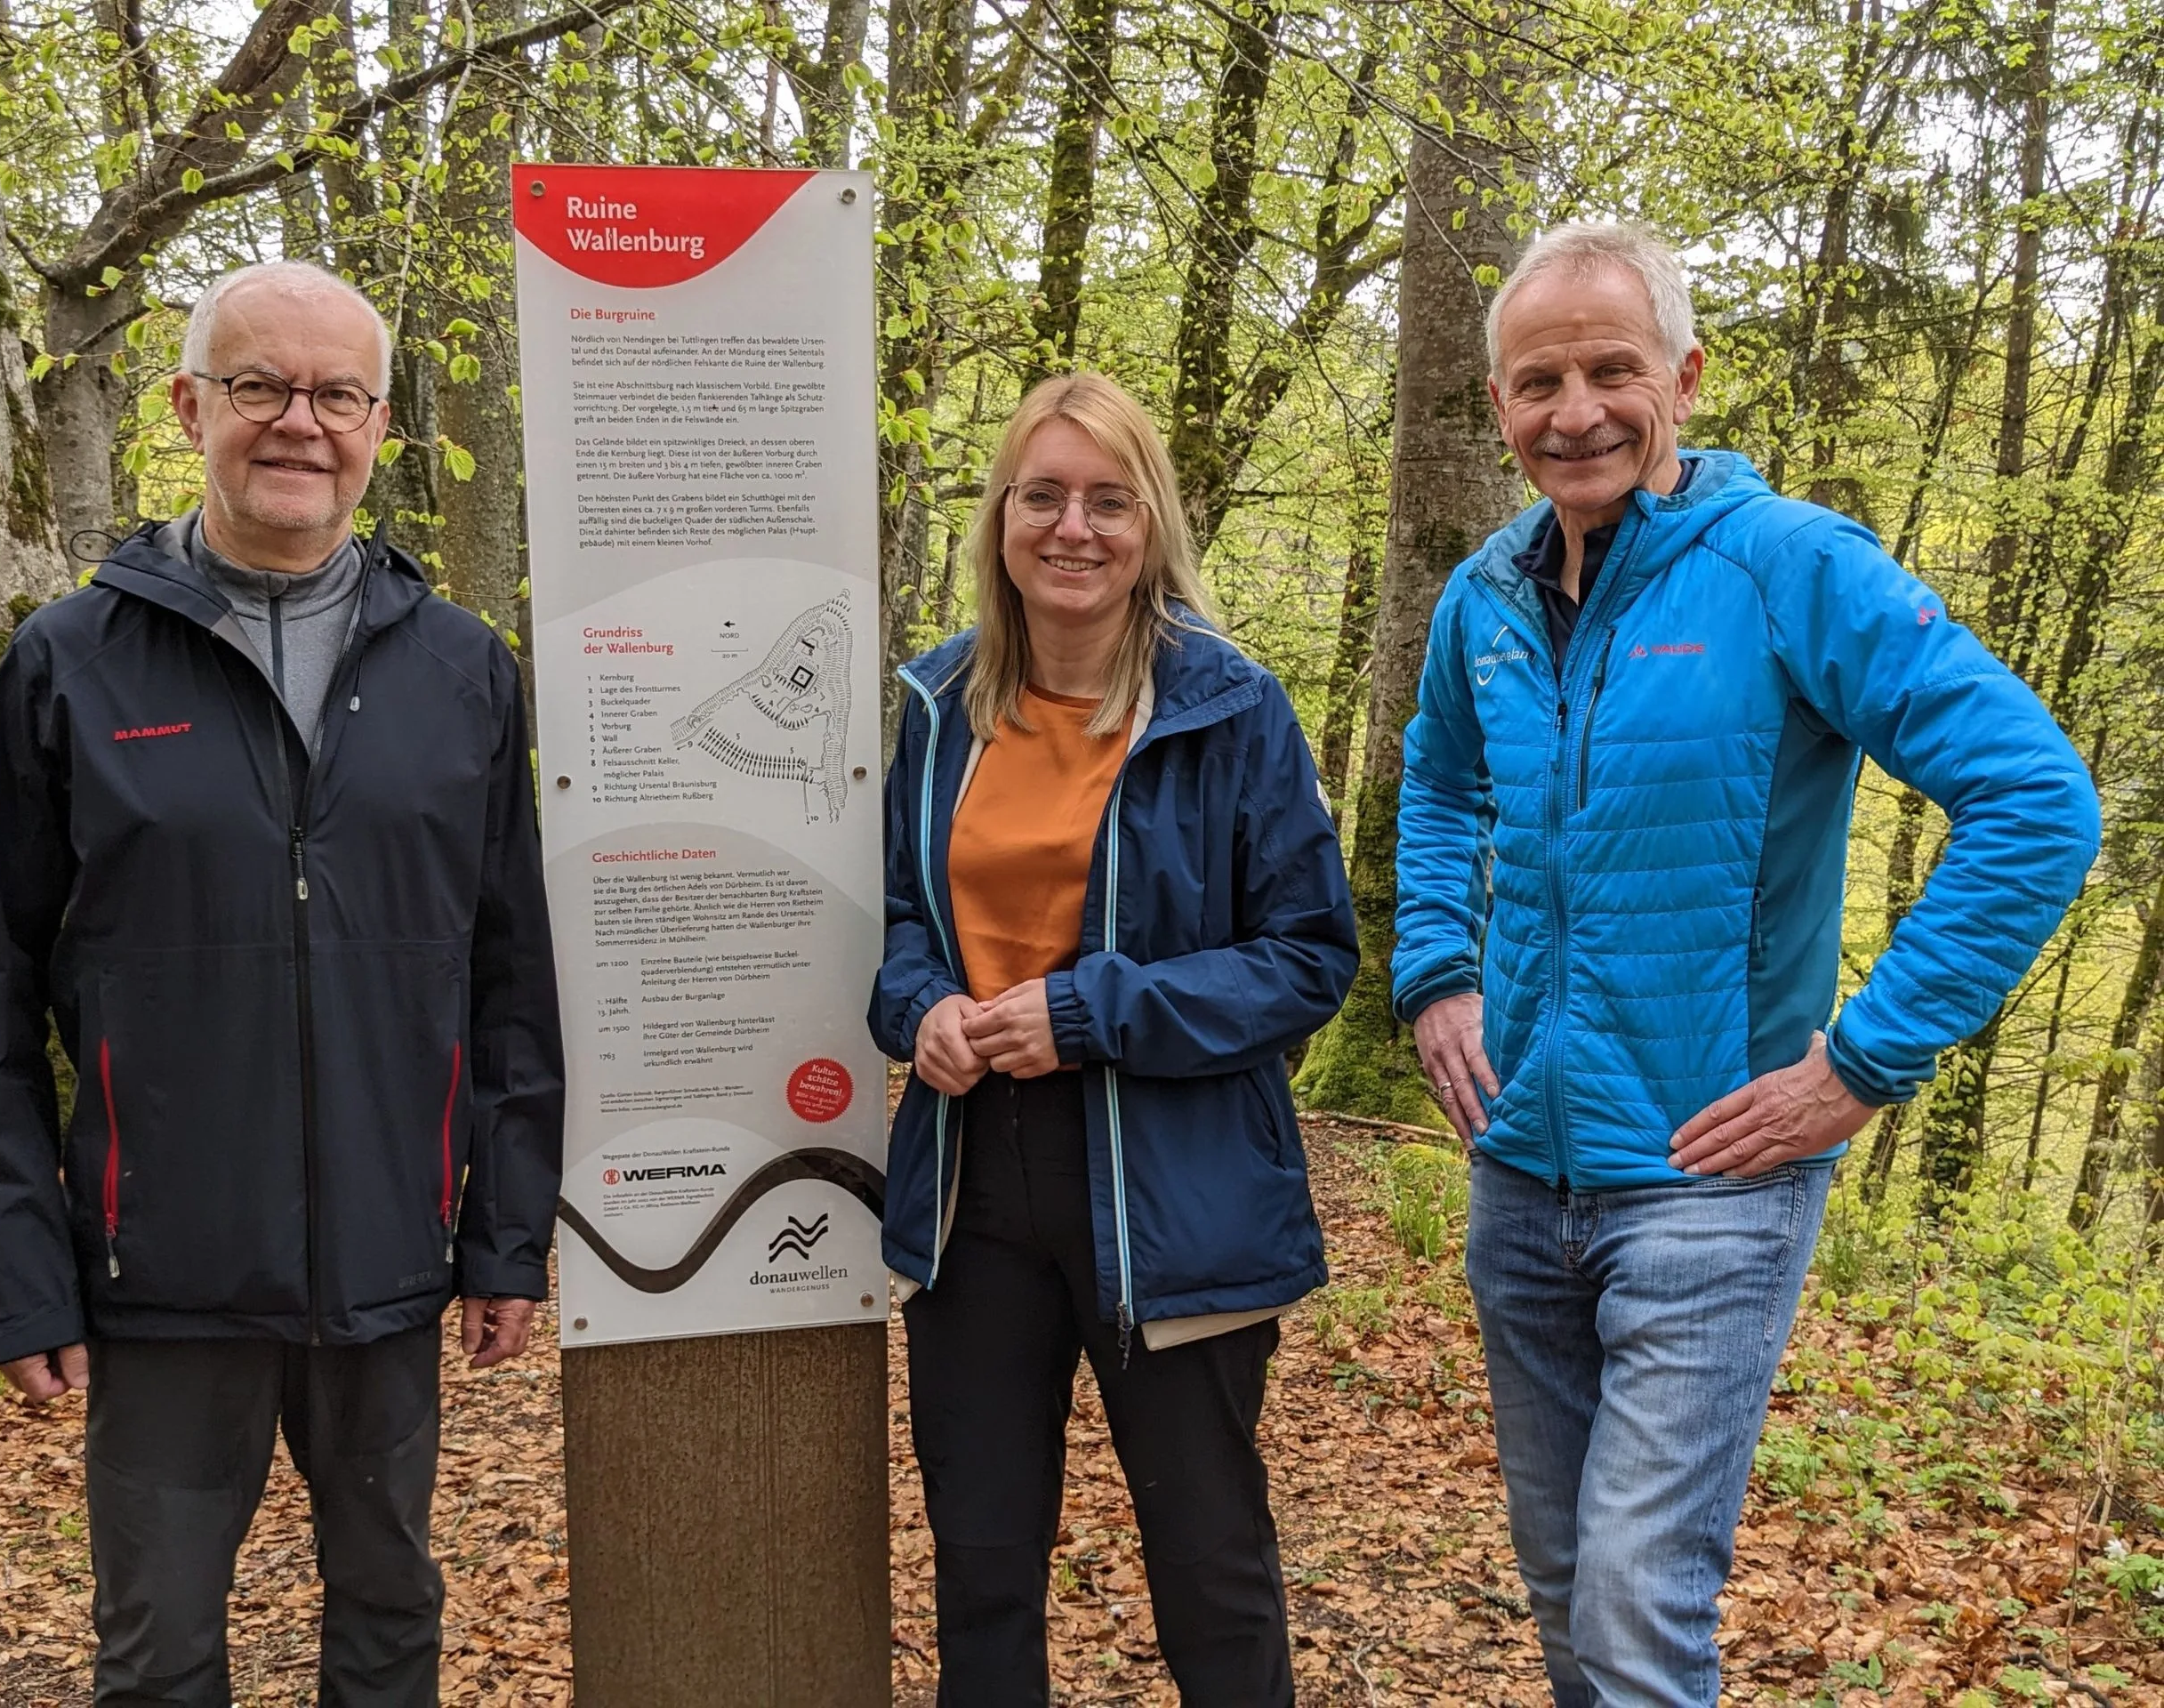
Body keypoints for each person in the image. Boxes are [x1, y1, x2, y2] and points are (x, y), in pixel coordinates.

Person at [1390, 222, 2102, 1706]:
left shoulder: (1790, 567)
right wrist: (1438, 969)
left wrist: (1864, 1063)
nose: (1575, 411)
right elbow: (1440, 780)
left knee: (1638, 1606)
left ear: (1686, 377)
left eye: (1611, 369)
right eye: (1538, 382)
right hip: (1520, 1174)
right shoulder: (1484, 599)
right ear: (1502, 402)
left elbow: (2038, 801)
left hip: (1711, 1181)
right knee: (1564, 1587)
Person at [0, 260, 563, 1707]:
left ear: (380, 425)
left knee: (391, 1625)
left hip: (389, 1266)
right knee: (158, 1655)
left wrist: (506, 1236)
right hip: (160, 1274)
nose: (299, 423)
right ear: (188, 406)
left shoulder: (462, 669)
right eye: (260, 386)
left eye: (337, 395)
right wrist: (19, 1276)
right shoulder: (69, 662)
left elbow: (510, 977)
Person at [870, 371, 1356, 1707]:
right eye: (1043, 496)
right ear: (1001, 519)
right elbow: (901, 917)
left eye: (1108, 500)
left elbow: (1309, 958)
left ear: (1152, 526)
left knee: (1210, 1567)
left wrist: (1090, 1013)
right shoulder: (939, 703)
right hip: (973, 1186)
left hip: (1176, 1190)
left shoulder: (1230, 708)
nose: (1072, 528)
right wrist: (921, 1010)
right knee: (981, 1567)